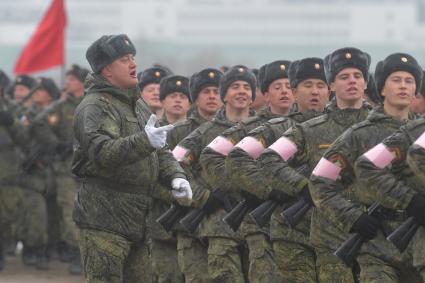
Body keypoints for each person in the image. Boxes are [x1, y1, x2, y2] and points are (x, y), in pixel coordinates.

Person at [72, 34, 192, 282]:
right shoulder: (95, 105)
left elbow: (160, 147)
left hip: (138, 220)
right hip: (104, 219)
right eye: (125, 59)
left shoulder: (137, 104)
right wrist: (144, 141)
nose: (133, 64)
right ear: (107, 69)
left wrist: (176, 176)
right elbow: (102, 152)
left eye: (133, 58)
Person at [258, 47, 371, 282]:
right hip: (328, 234)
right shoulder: (308, 130)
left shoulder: (384, 128)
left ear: (366, 83)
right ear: (332, 85)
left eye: (357, 76)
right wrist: (302, 186)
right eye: (343, 77)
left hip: (376, 232)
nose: (352, 82)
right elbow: (270, 158)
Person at [310, 53, 422, 282]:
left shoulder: (420, 132)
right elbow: (320, 181)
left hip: (419, 242)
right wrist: (354, 218)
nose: (403, 86)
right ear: (381, 89)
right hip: (377, 245)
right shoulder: (357, 135)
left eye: (409, 81)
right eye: (396, 80)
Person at [225, 57, 330, 282]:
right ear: (296, 91)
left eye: (321, 85)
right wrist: (270, 190)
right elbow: (237, 157)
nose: (315, 92)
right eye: (308, 85)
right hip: (290, 229)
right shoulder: (279, 128)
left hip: (333, 229)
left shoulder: (341, 129)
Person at [173, 65, 256, 282]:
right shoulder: (204, 133)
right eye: (235, 86)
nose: (241, 91)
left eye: (247, 87)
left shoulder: (267, 129)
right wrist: (203, 196)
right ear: (224, 94)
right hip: (220, 228)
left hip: (260, 228)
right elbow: (174, 165)